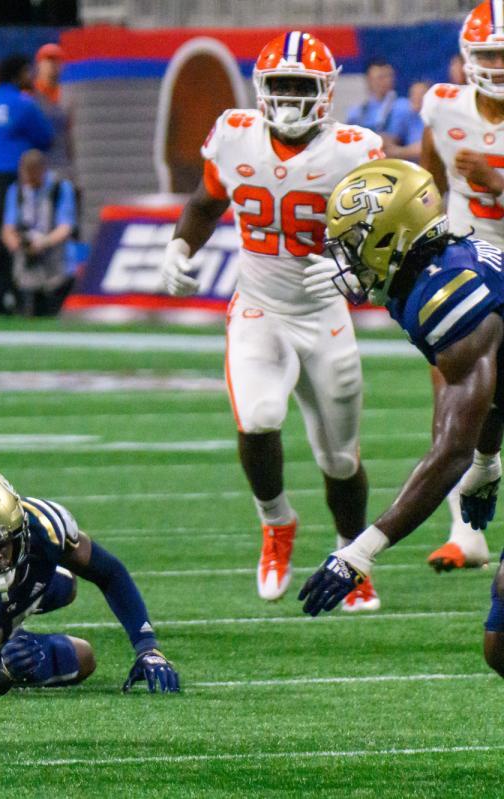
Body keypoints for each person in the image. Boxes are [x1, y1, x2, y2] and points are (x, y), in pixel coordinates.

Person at [161, 31, 385, 610]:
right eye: (279, 85)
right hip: (259, 307)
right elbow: (206, 202)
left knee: (339, 459)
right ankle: (276, 522)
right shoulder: (236, 137)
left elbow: (388, 239)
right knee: (258, 417)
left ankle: (349, 555)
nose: (287, 97)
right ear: (261, 90)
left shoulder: (355, 151)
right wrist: (179, 248)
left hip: (325, 314)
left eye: (299, 86)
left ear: (325, 92)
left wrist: (353, 274)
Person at [297, 161, 504, 682]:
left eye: (354, 242)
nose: (345, 258)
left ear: (392, 236)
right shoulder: (439, 271)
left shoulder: (448, 297)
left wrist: (359, 553)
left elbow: (448, 452)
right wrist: (488, 460)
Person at [0, 465, 180, 694]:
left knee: (66, 586)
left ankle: (3, 601)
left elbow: (109, 572)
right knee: (82, 658)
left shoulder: (42, 525)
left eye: (4, 545)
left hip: (3, 602)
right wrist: (5, 671)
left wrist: (148, 648)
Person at [418, 1, 504, 570]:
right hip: (466, 262)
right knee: (453, 396)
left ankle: (487, 466)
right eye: (489, 54)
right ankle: (464, 532)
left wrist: (495, 182)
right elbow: (427, 179)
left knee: (494, 403)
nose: (497, 65)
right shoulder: (443, 107)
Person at [0, 54, 53, 313]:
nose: (31, 76)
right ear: (18, 74)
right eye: (27, 71)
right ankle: (23, 292)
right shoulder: (23, 104)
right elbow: (46, 137)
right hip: (17, 176)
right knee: (22, 233)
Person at [1, 149, 76, 316]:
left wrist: (44, 242)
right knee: (29, 310)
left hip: (54, 256)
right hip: (27, 258)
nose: (29, 181)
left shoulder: (59, 188)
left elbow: (66, 227)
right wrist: (18, 244)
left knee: (53, 307)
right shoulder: (17, 190)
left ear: (42, 170)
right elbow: (8, 229)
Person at [346, 58, 414, 156]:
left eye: (389, 76)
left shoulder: (405, 107)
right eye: (380, 77)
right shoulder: (356, 113)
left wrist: (398, 150)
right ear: (368, 80)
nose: (386, 81)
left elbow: (420, 143)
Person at [33, 43, 73, 180]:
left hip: (63, 163)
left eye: (57, 61)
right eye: (48, 60)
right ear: (39, 64)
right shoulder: (29, 96)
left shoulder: (68, 94)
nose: (52, 65)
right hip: (39, 165)